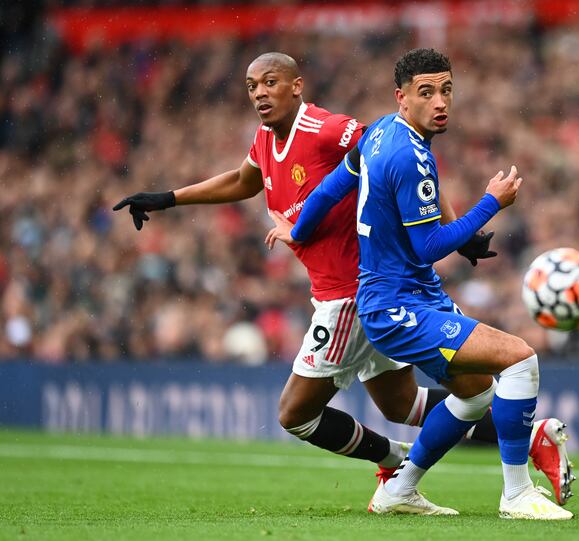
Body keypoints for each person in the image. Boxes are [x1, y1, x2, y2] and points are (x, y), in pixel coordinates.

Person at [112, 52, 506, 486]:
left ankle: (395, 461)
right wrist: (169, 198)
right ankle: (528, 432)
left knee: (295, 414)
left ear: (297, 86)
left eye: (271, 82)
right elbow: (245, 180)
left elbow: (400, 155)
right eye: (252, 86)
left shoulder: (327, 130)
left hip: (352, 295)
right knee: (402, 406)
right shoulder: (265, 138)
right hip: (364, 291)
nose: (260, 92)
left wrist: (456, 229)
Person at [267, 48, 574, 520]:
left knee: (475, 392)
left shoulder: (381, 131)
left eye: (446, 90)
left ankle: (399, 488)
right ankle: (516, 494)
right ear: (402, 97)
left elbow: (330, 187)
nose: (440, 102)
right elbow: (429, 246)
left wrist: (300, 229)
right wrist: (491, 203)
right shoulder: (408, 155)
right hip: (395, 305)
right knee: (520, 360)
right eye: (426, 92)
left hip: (410, 295)